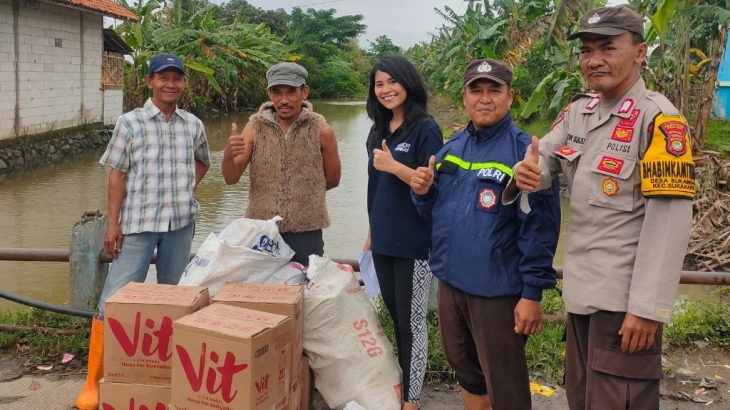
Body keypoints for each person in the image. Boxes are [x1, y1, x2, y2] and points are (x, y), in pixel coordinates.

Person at [508, 6, 695, 409]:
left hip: (624, 304)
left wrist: (647, 309)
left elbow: (669, 223)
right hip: (581, 295)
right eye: (586, 50)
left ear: (641, 52)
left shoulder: (659, 120)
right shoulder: (580, 110)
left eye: (607, 48)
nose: (594, 60)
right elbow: (544, 159)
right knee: (583, 399)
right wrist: (529, 172)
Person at [409, 58, 561, 410]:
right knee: (464, 367)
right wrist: (423, 192)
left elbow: (540, 229)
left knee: (504, 381)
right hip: (451, 282)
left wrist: (532, 293)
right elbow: (435, 213)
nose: (485, 98)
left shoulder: (525, 154)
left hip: (497, 291)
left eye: (495, 90)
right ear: (464, 97)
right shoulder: (453, 147)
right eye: (476, 90)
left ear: (510, 97)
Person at [76, 53, 211, 410]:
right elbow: (116, 174)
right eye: (162, 77)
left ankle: (165, 374)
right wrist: (113, 223)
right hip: (137, 224)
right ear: (149, 82)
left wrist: (185, 190)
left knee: (176, 297)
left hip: (180, 224)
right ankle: (94, 380)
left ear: (184, 83)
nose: (170, 84)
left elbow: (203, 161)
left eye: (177, 78)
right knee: (114, 298)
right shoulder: (129, 123)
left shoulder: (192, 124)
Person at [364, 55, 444, 409]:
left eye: (392, 81)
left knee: (413, 322)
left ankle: (411, 399)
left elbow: (430, 185)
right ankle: (401, 383)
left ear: (407, 83)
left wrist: (395, 166)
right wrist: (370, 231)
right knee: (396, 318)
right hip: (382, 238)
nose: (386, 90)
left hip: (414, 240)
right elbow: (376, 188)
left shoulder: (426, 129)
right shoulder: (378, 130)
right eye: (379, 84)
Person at [221, 62, 341, 265]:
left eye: (291, 92)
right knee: (262, 291)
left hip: (307, 231)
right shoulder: (254, 127)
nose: (284, 100)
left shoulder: (322, 130)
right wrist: (227, 155)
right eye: (277, 92)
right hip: (262, 230)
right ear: (269, 93)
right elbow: (231, 178)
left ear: (304, 92)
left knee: (307, 290)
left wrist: (301, 195)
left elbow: (332, 179)